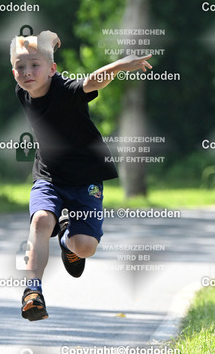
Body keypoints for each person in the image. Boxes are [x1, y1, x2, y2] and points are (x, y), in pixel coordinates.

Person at [11, 29, 152, 321]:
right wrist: (49, 40)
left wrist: (119, 65)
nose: (27, 72)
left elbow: (93, 81)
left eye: (35, 66)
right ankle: (32, 290)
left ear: (52, 70)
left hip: (86, 178)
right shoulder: (23, 91)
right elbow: (37, 53)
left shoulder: (67, 91)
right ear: (14, 73)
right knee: (40, 220)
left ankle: (66, 239)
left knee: (85, 248)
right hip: (49, 177)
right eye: (20, 67)